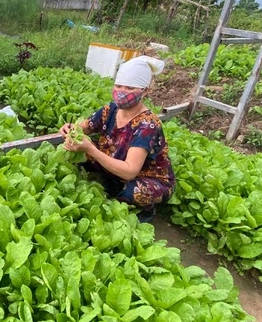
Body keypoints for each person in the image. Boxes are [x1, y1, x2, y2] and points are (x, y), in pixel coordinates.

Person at [58, 56, 175, 217]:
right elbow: (83, 129)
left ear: (145, 91)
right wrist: (70, 130)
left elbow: (130, 172)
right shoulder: (109, 110)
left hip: (145, 177)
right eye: (119, 86)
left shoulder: (148, 125)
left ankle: (142, 212)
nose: (122, 92)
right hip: (114, 164)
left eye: (129, 88)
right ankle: (110, 184)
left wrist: (91, 149)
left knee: (134, 192)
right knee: (77, 150)